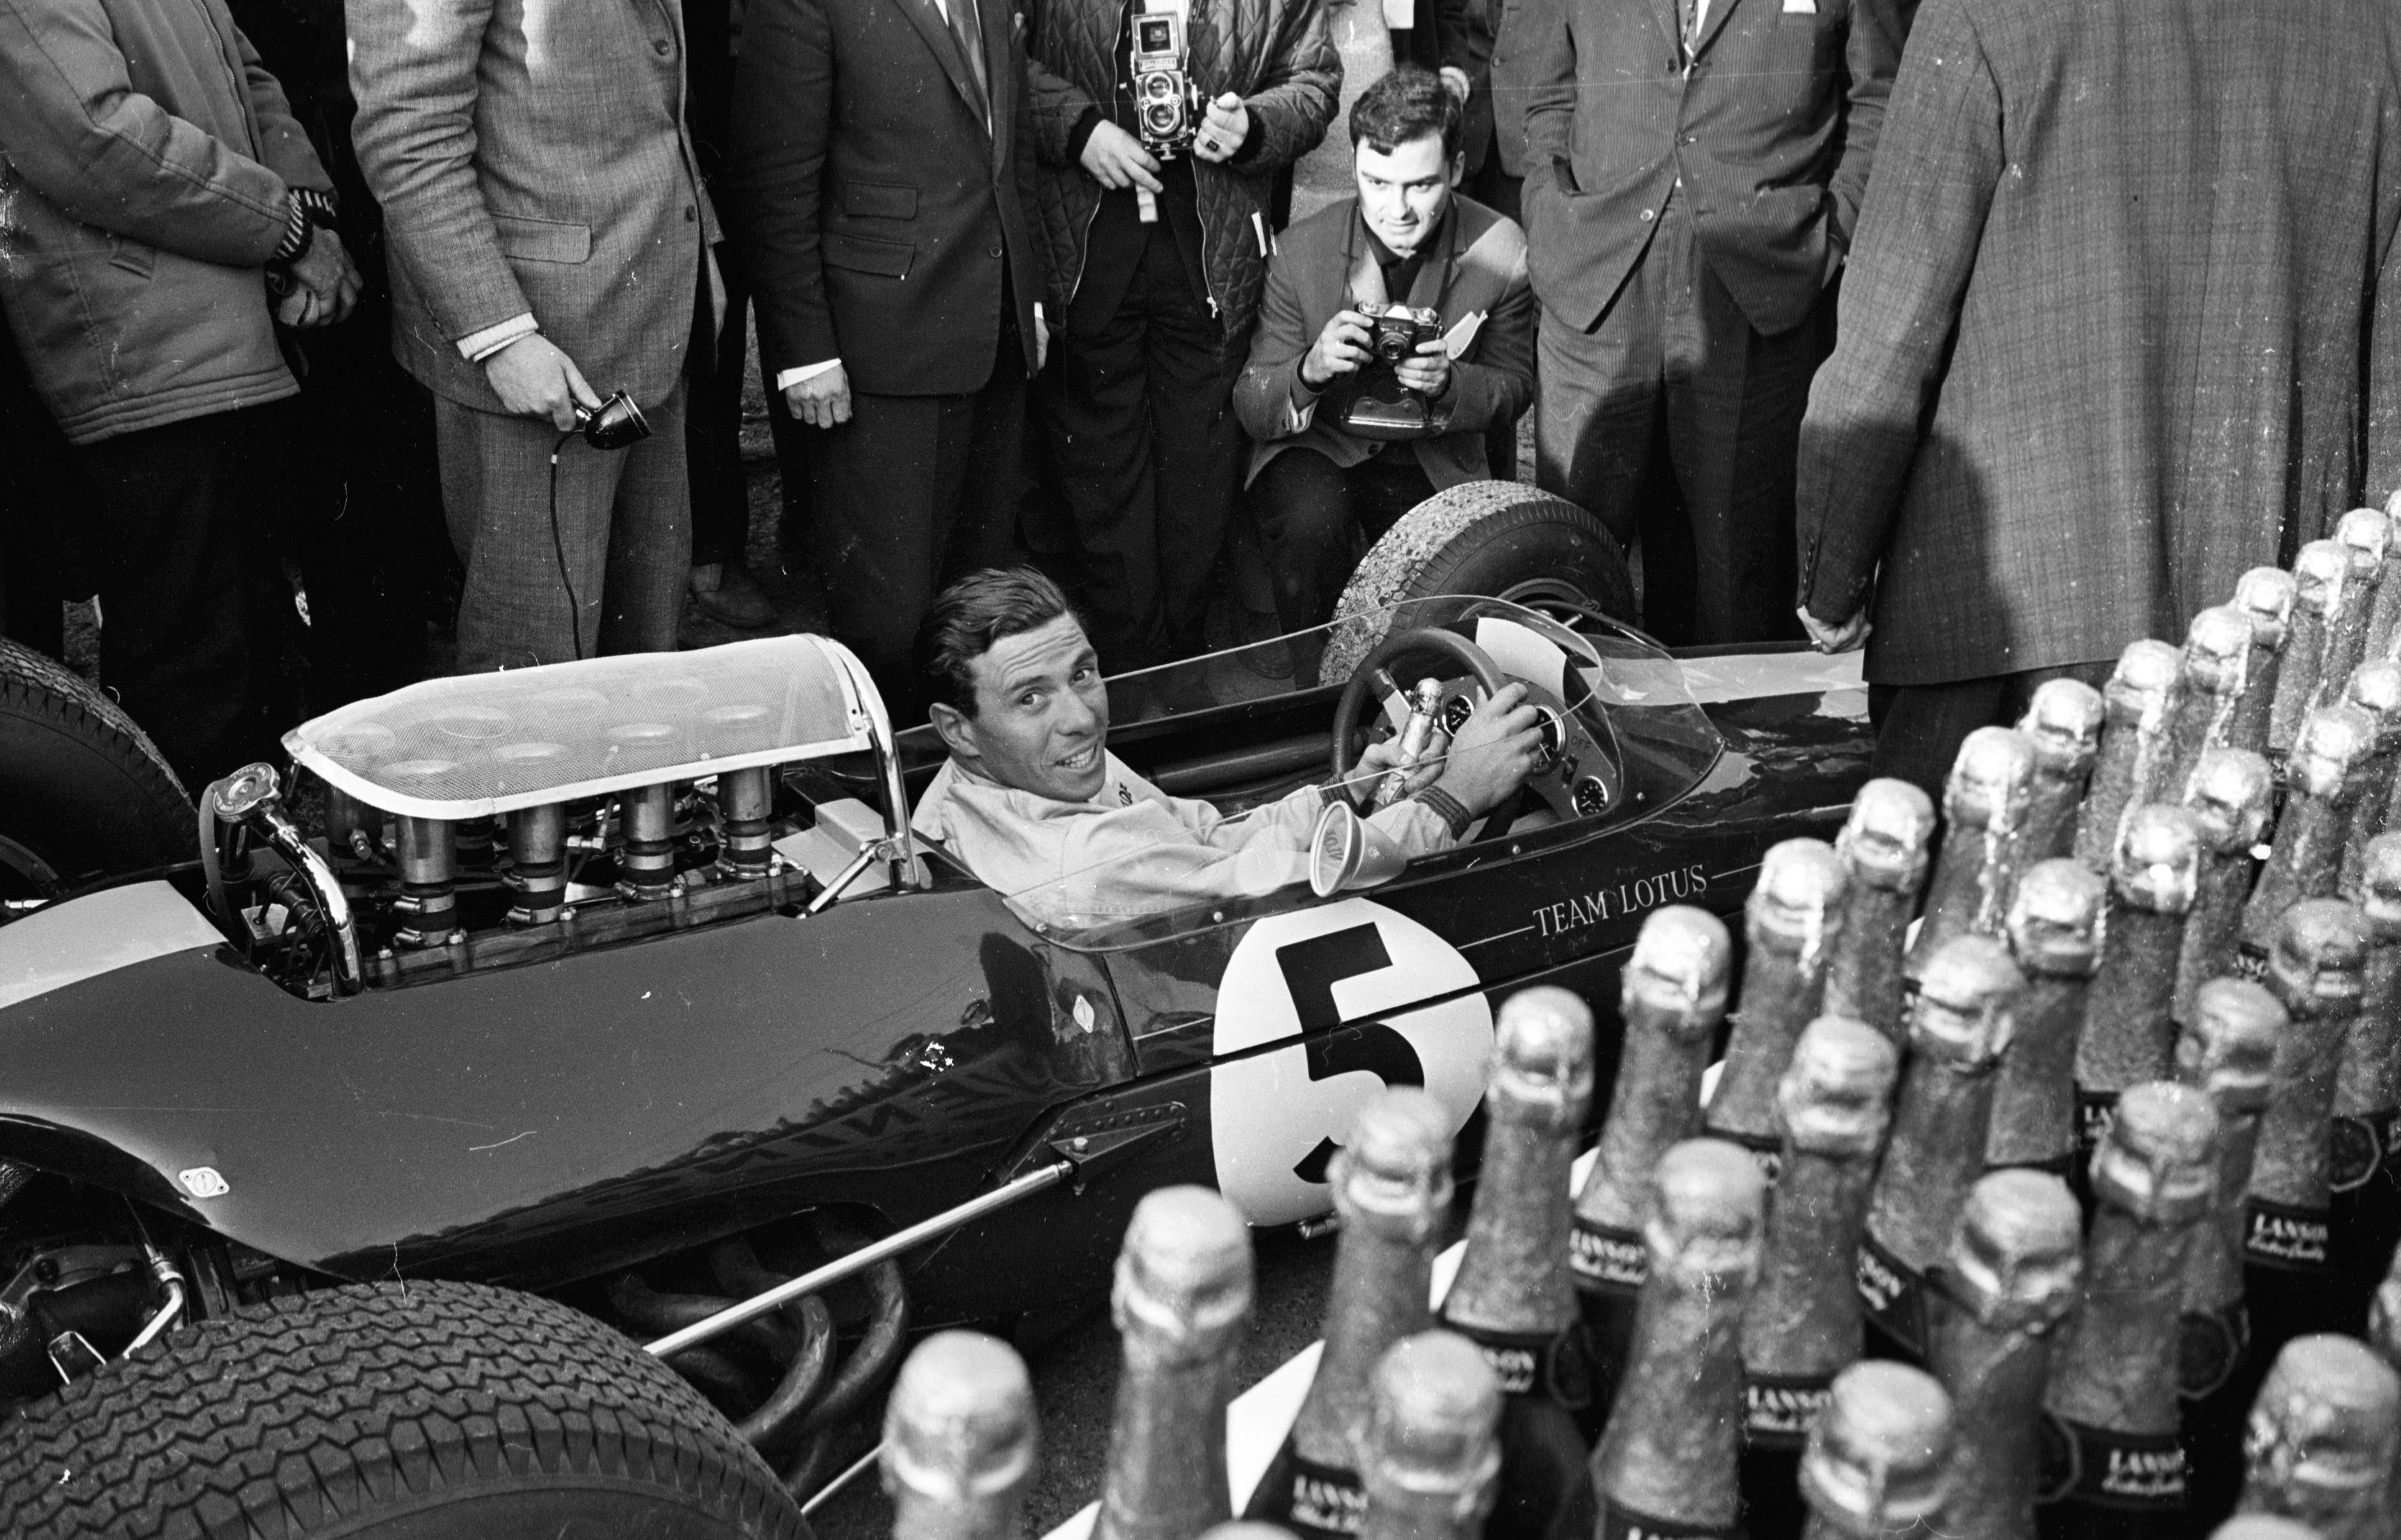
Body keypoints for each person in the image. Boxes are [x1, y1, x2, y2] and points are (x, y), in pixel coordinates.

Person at [1794, 0, 2401, 797]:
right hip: (2260, 642)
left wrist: (1830, 573)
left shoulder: (1992, 12)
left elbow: (1892, 322)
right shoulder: (2377, 27)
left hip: (2008, 626)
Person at [0, 0, 360, 787]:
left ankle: (245, 892)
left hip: (227, 344)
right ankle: (191, 898)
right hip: (150, 365)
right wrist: (288, 233)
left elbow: (248, 73)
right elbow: (96, 140)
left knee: (251, 657)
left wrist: (302, 209)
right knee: (198, 679)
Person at [349, 0, 717, 674]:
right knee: (534, 664)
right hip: (539, 349)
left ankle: (634, 784)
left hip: (648, 310)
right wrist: (501, 337)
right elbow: (408, 137)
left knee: (644, 645)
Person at [1520, 0, 1903, 646]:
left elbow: (1880, 99)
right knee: (1572, 557)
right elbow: (1544, 93)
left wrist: (1831, 231)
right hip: (1599, 275)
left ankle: (1728, 743)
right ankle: (1576, 740)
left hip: (1755, 281)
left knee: (1738, 569)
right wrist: (1549, 206)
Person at [731, 0, 1047, 717]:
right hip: (880, 349)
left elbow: (1013, 152)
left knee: (980, 600)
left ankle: (965, 786)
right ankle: (887, 799)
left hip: (993, 335)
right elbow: (774, 184)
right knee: (890, 616)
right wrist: (805, 350)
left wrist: (1029, 299)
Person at [913, 567, 1543, 926]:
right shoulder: (1083, 859)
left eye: (1082, 673)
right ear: (957, 729)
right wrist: (1455, 796)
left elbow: (1207, 841)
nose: (1081, 718)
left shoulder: (1016, 772)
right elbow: (1297, 890)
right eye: (1030, 699)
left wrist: (1348, 794)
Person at [1023, 0, 1337, 673]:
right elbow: (997, 64)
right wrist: (1079, 129)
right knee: (1102, 471)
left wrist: (1254, 126)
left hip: (1209, 261)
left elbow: (1312, 84)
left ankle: (1182, 659)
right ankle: (1131, 672)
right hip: (1089, 252)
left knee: (1197, 467)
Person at [1233, 67, 1533, 679]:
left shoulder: (1501, 248)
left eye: (1420, 186)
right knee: (1309, 520)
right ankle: (1316, 696)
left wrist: (1453, 385)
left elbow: (1514, 386)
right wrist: (1307, 371)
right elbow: (1252, 402)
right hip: (1325, 445)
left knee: (1442, 590)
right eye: (1375, 183)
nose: (1395, 209)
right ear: (1354, 171)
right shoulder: (1301, 249)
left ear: (1455, 169)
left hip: (1433, 452)